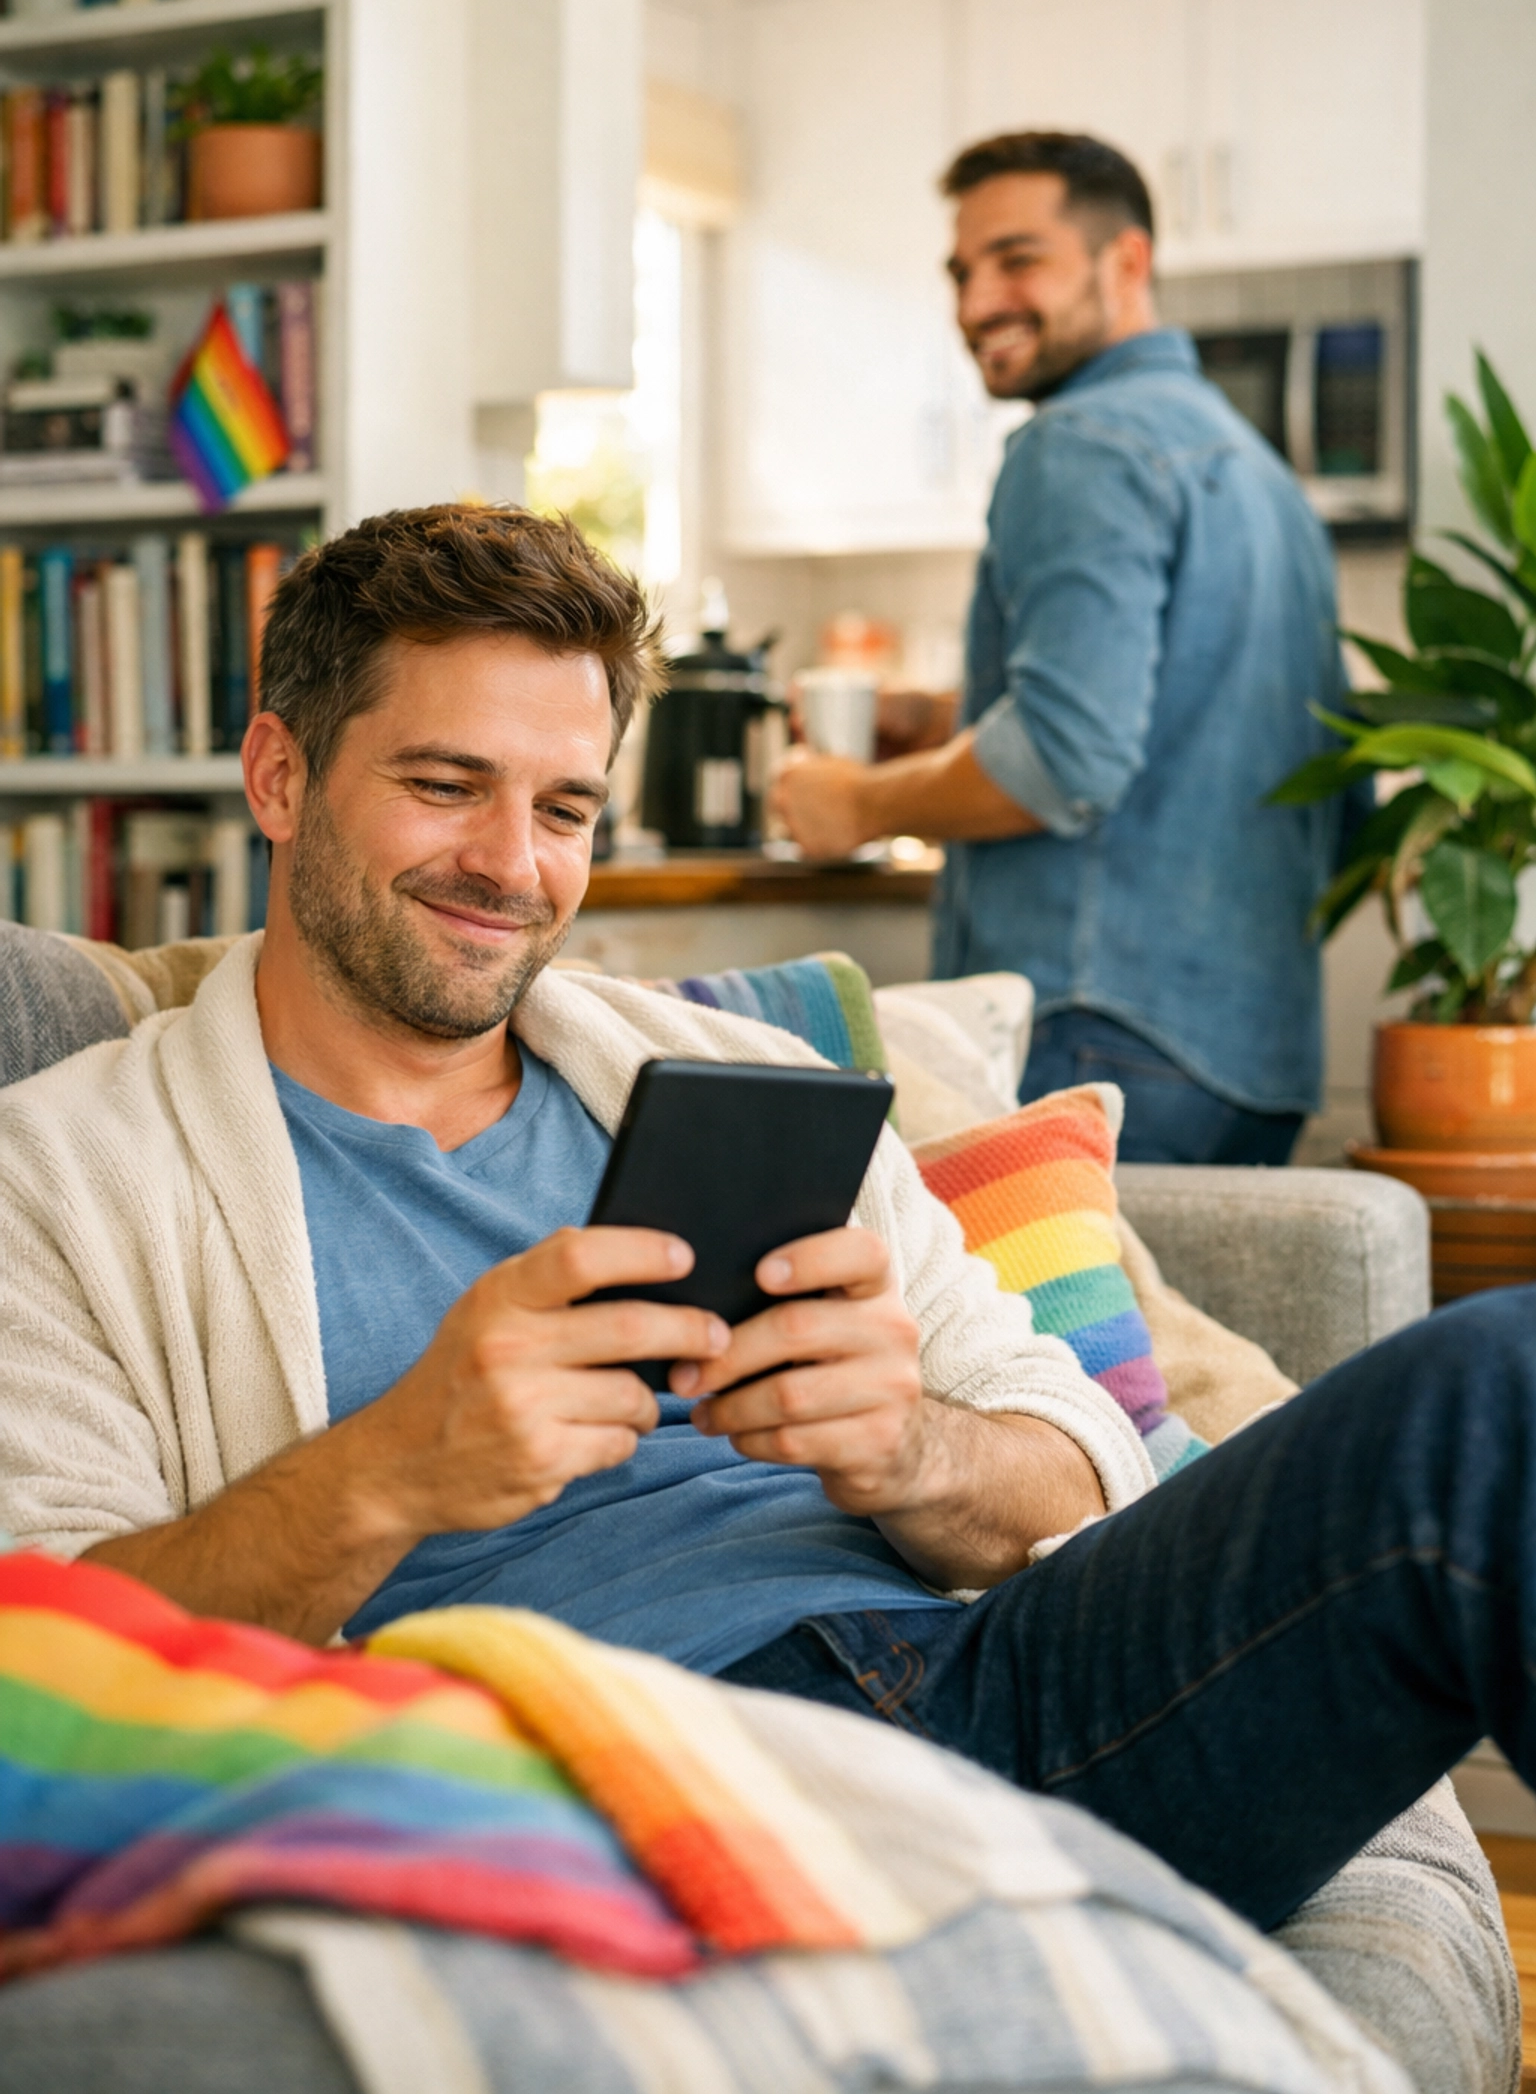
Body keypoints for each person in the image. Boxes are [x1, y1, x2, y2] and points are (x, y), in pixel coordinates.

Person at [0, 505, 1530, 1939]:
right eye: (444, 784)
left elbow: (1072, 1447)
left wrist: (909, 1448)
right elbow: (48, 1676)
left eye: (566, 807)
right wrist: (397, 1469)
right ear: (279, 775)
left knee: (1496, 1393)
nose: (513, 868)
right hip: (587, 1783)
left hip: (1004, 1694)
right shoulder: (67, 1173)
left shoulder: (744, 1082)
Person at [772, 131, 1363, 1167]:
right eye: (962, 271)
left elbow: (1065, 757)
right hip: (1255, 1057)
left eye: (1019, 260)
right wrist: (945, 717)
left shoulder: (1078, 446)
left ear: (1124, 262)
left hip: (1096, 1037)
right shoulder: (1266, 478)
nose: (973, 304)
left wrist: (857, 804)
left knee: (1040, 1337)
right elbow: (1290, 775)